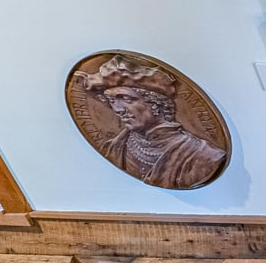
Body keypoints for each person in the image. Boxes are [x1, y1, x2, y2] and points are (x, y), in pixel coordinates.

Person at [79, 56, 225, 189]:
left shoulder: (204, 157)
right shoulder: (113, 148)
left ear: (155, 102)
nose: (117, 109)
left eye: (126, 99)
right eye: (112, 101)